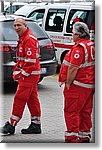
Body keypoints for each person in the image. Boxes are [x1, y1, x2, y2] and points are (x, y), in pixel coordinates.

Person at [1, 18, 41, 135]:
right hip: (30, 74)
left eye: (19, 25)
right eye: (15, 25)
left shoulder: (28, 39)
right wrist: (16, 70)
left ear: (25, 26)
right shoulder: (23, 38)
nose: (16, 28)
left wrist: (20, 74)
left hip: (29, 75)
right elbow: (22, 60)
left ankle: (11, 124)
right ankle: (36, 124)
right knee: (32, 99)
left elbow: (30, 62)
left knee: (20, 98)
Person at [59, 22, 95, 143]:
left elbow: (73, 67)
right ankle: (84, 135)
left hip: (78, 85)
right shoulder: (90, 45)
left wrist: (68, 82)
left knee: (71, 112)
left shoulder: (79, 48)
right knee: (85, 111)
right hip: (88, 85)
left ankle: (72, 137)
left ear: (78, 35)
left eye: (73, 33)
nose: (72, 36)